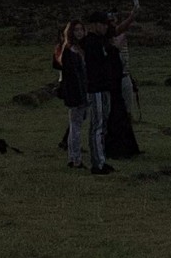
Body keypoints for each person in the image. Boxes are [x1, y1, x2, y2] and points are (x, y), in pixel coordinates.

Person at [86, 11, 136, 162]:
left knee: (108, 120)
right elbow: (101, 60)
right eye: (103, 24)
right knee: (99, 124)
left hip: (110, 84)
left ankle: (104, 155)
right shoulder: (93, 41)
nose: (106, 27)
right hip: (100, 86)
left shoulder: (102, 39)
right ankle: (99, 158)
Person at [53, 20, 102, 172]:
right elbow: (72, 76)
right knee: (76, 126)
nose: (79, 33)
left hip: (81, 90)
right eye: (76, 30)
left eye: (81, 30)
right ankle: (75, 159)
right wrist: (81, 94)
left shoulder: (80, 49)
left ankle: (73, 157)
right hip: (75, 92)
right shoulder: (69, 51)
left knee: (76, 124)